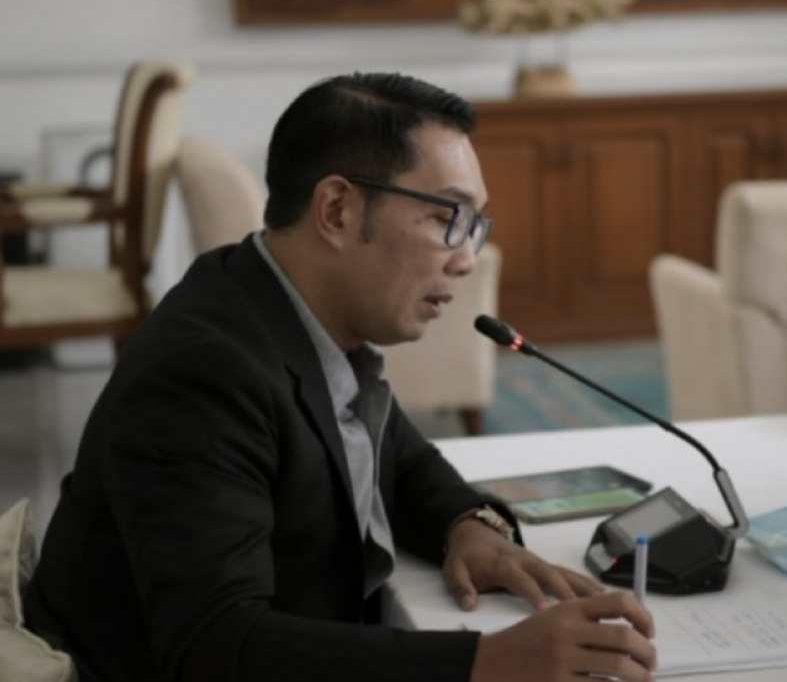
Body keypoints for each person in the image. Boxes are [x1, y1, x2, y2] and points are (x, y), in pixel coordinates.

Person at [25, 72, 657, 682]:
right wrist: (483, 664)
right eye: (449, 216)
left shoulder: (291, 307)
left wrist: (469, 527)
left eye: (475, 223)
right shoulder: (203, 372)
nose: (467, 258)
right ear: (336, 210)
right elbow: (216, 650)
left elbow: (402, 461)